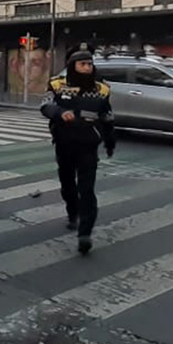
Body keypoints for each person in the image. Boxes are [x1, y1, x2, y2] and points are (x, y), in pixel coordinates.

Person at [40, 50, 115, 255]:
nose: (86, 68)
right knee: (67, 183)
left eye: (89, 64)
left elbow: (107, 117)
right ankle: (72, 213)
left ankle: (85, 234)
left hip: (88, 147)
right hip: (64, 144)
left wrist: (110, 142)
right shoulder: (57, 85)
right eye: (82, 64)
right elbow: (45, 105)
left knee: (87, 189)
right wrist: (59, 113)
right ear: (73, 66)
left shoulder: (102, 89)